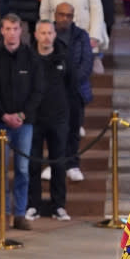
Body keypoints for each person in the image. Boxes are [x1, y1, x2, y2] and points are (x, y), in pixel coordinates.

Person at [0, 13, 44, 231]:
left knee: (22, 167)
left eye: (15, 29)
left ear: (21, 31)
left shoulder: (31, 57)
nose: (12, 32)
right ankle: (3, 213)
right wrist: (4, 114)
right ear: (2, 31)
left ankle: (20, 213)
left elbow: (38, 90)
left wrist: (22, 115)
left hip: (24, 123)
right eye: (8, 29)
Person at [26, 20, 73, 221]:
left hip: (59, 119)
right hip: (34, 119)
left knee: (59, 163)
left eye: (49, 32)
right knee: (33, 164)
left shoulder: (64, 57)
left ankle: (58, 206)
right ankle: (32, 205)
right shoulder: (27, 58)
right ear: (36, 35)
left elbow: (72, 88)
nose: (46, 36)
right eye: (42, 32)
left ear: (55, 35)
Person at [52, 2, 93, 183]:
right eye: (61, 15)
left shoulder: (81, 35)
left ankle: (72, 164)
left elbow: (87, 62)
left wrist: (72, 81)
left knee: (74, 130)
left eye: (69, 15)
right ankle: (56, 163)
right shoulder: (49, 34)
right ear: (55, 15)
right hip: (53, 92)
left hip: (76, 91)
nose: (65, 19)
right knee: (56, 131)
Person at [40, 0, 110, 49]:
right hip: (57, 41)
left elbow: (97, 11)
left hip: (85, 40)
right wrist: (47, 34)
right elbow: (44, 12)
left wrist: (94, 36)